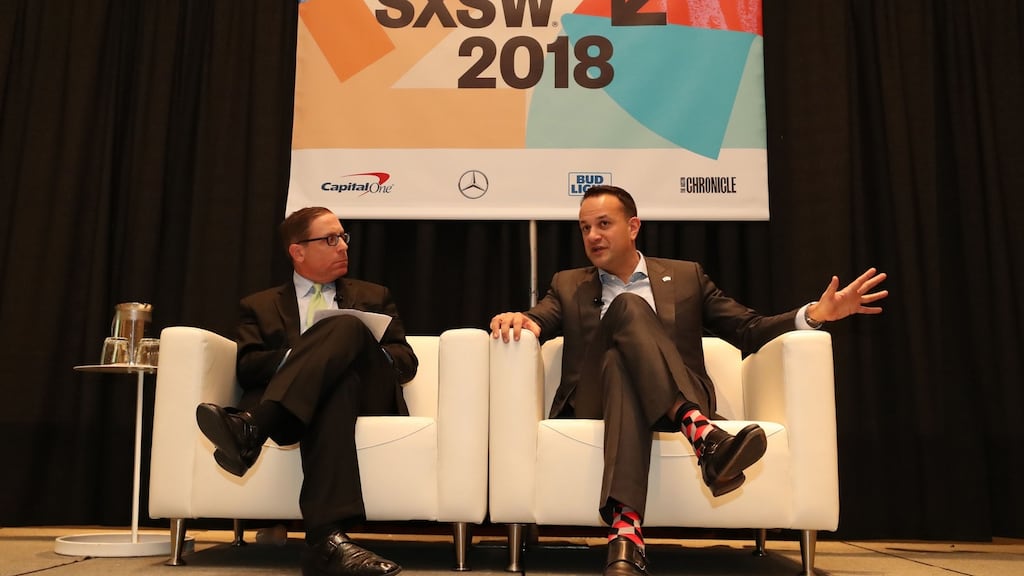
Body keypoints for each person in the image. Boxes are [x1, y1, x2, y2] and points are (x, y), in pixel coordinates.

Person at [489, 185, 887, 576]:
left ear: (633, 227)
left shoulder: (685, 277)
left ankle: (626, 536)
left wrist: (815, 313)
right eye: (585, 227)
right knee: (624, 319)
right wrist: (521, 320)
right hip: (595, 401)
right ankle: (703, 437)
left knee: (622, 360)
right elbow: (539, 317)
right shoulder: (568, 283)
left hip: (672, 393)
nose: (592, 236)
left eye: (604, 224)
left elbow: (747, 329)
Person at [195, 207, 418, 576]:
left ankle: (252, 427)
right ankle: (326, 541)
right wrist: (309, 361)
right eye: (330, 239)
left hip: (372, 396)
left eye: (344, 237)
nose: (342, 246)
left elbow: (406, 361)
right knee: (336, 384)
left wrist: (356, 346)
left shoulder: (373, 296)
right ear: (297, 251)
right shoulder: (260, 305)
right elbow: (248, 365)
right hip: (311, 405)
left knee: (346, 329)